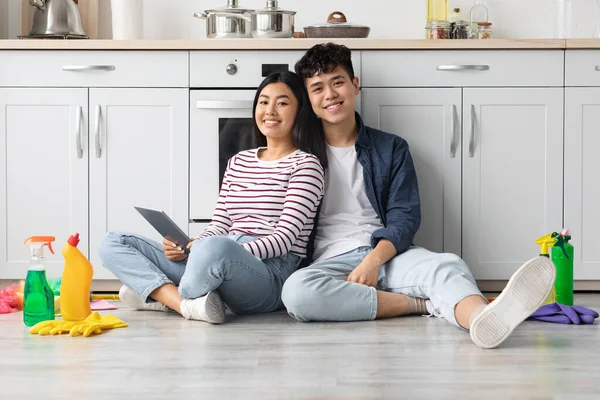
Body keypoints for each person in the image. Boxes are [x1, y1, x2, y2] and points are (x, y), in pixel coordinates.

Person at [280, 43, 556, 349]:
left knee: (447, 265)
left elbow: (404, 217)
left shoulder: (391, 148)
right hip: (328, 263)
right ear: (309, 98)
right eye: (318, 88)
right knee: (296, 293)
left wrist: (372, 261)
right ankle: (421, 304)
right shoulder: (297, 153)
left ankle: (482, 318)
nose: (330, 94)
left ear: (355, 85)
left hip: (386, 254)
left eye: (338, 82)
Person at [99, 71, 326, 324]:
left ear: (300, 112)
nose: (270, 110)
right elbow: (219, 224)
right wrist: (189, 248)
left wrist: (217, 251)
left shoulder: (306, 165)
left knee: (215, 247)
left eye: (282, 103)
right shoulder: (238, 162)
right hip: (217, 256)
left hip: (268, 273)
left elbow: (283, 240)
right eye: (263, 102)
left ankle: (160, 294)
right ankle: (184, 304)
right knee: (112, 242)